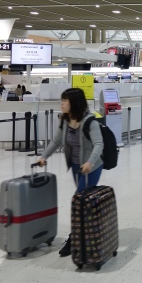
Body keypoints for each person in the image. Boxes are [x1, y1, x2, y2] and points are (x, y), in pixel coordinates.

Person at [37, 88, 104, 257]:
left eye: (64, 101)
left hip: (92, 168)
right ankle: (88, 231)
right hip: (76, 167)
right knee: (83, 202)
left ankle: (73, 239)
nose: (61, 103)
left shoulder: (90, 122)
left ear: (74, 103)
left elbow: (99, 144)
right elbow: (57, 141)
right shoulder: (65, 120)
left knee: (78, 202)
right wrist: (44, 156)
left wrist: (90, 162)